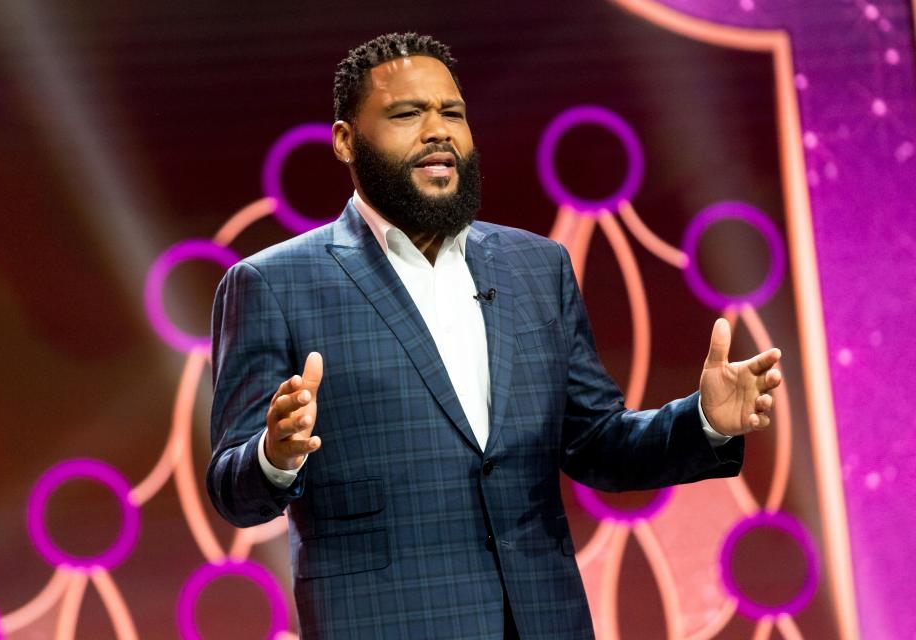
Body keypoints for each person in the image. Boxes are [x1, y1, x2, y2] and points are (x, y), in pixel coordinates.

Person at [207, 32, 782, 640]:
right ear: (346, 140)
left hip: (543, 621)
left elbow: (594, 442)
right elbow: (232, 489)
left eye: (452, 113)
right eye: (407, 114)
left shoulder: (537, 266)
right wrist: (275, 455)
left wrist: (704, 422)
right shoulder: (273, 284)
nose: (439, 132)